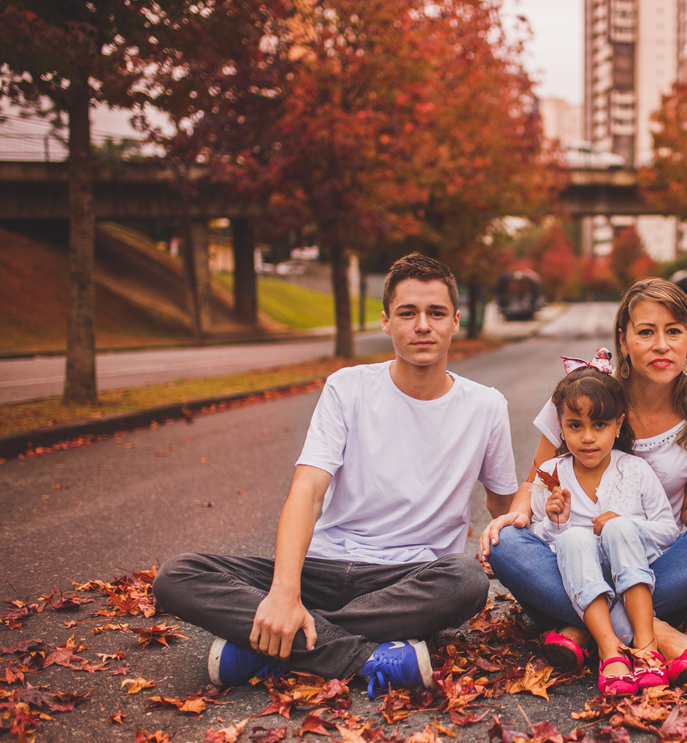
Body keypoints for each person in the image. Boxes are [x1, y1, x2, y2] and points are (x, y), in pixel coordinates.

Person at [154, 253, 518, 698]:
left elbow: (503, 506)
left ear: (455, 321)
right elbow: (307, 492)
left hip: (406, 581)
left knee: (466, 580)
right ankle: (361, 657)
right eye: (408, 313)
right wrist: (285, 592)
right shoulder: (347, 387)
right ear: (386, 322)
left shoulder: (485, 406)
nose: (423, 325)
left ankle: (270, 649)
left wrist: (552, 505)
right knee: (178, 574)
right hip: (322, 570)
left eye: (436, 313)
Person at [481, 278, 687, 685]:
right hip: (570, 560)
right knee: (506, 543)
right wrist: (516, 516)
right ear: (623, 340)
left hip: (653, 566)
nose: (661, 345)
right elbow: (536, 483)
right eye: (646, 332)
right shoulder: (582, 398)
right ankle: (654, 632)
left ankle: (584, 629)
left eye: (673, 331)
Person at [528, 351, 680, 695]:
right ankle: (610, 649)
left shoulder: (635, 470)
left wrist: (626, 523)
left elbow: (669, 531)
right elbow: (535, 540)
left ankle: (645, 643)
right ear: (560, 426)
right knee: (572, 539)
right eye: (575, 426)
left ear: (618, 424)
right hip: (578, 579)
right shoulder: (550, 474)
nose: (588, 437)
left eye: (599, 425)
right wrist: (556, 524)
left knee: (618, 528)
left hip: (638, 575)